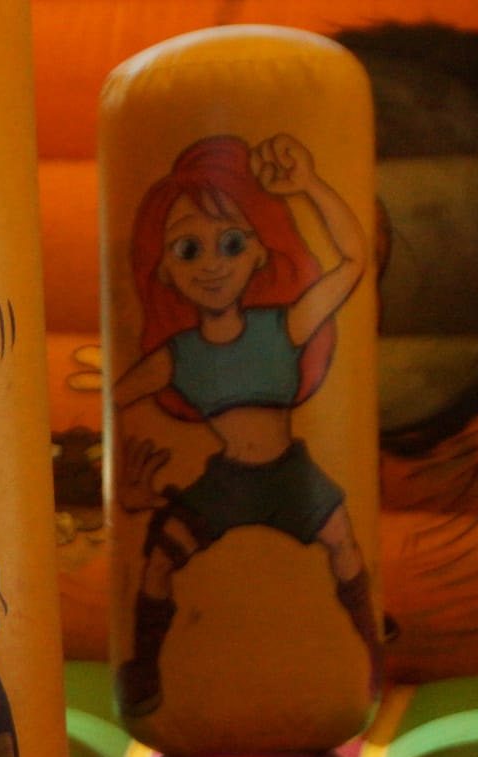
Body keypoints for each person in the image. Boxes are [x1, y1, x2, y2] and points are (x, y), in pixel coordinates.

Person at [111, 132, 380, 718]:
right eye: (188, 251)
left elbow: (354, 262)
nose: (211, 266)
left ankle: (371, 650)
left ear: (259, 252)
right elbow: (115, 399)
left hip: (290, 474)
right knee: (161, 558)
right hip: (228, 481)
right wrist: (123, 490)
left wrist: (308, 185)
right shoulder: (178, 354)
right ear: (163, 271)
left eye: (231, 244)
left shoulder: (281, 327)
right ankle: (144, 669)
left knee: (343, 542)